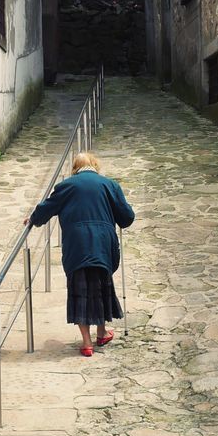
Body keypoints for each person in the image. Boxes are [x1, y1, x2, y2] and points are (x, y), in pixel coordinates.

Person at [26, 151, 135, 356]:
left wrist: (33, 219)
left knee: (80, 290)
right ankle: (101, 333)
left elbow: (46, 209)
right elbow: (127, 217)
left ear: (75, 168)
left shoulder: (66, 186)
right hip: (102, 244)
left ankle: (86, 343)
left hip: (77, 245)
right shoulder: (109, 185)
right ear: (95, 165)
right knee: (101, 285)